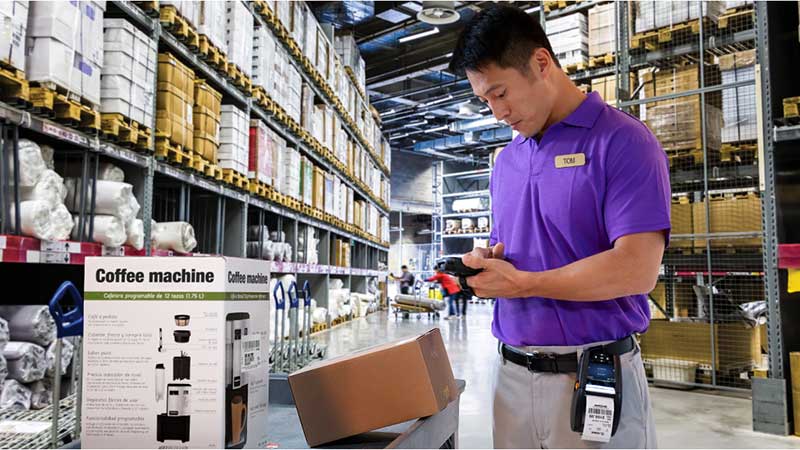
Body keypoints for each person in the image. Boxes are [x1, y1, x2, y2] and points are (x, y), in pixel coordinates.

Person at [449, 4, 670, 449]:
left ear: (541, 63)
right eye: (485, 101)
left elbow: (637, 270)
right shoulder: (507, 162)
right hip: (510, 378)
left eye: (500, 93)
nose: (496, 112)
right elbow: (522, 247)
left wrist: (526, 284)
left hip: (594, 378)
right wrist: (489, 265)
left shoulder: (623, 141)